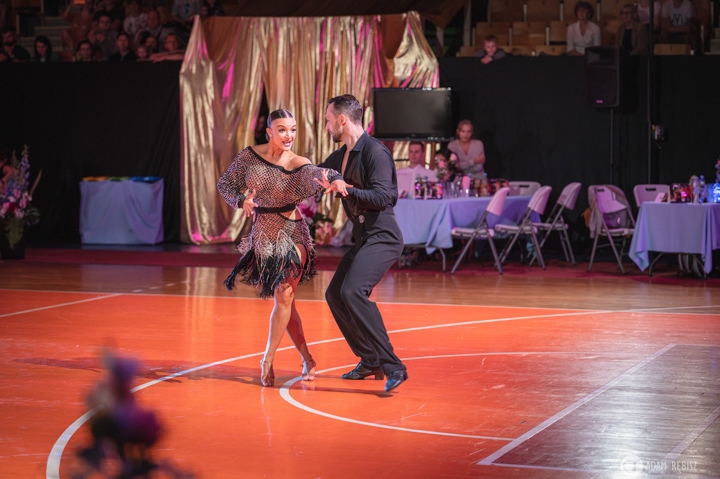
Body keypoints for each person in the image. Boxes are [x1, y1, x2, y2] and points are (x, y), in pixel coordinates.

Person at [217, 109, 349, 387]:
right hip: (264, 236)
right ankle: (308, 358)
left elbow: (320, 173)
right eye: (282, 129)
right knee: (285, 304)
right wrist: (241, 201)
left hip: (292, 234)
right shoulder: (249, 157)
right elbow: (226, 184)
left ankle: (267, 359)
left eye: (293, 129)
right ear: (269, 132)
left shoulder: (299, 164)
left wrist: (336, 178)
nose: (289, 135)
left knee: (284, 295)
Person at [317, 94, 409, 393]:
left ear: (342, 120)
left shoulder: (375, 151)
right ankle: (370, 361)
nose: (327, 126)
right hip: (363, 238)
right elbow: (316, 173)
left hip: (383, 236)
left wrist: (347, 189)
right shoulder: (341, 155)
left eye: (329, 120)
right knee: (335, 294)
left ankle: (393, 366)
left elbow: (384, 197)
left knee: (353, 291)